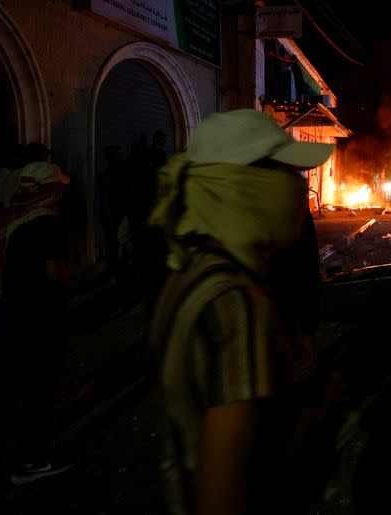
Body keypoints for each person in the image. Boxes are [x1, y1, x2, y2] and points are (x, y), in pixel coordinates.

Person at [149, 109, 342, 515]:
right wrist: (324, 410)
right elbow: (227, 495)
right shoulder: (237, 304)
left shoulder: (191, 268)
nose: (298, 190)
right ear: (244, 186)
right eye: (288, 175)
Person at [0, 142, 73, 486]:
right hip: (37, 320)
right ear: (49, 190)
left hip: (5, 316)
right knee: (35, 391)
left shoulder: (6, 220)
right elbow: (56, 275)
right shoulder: (47, 223)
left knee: (0, 391)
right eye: (58, 188)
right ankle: (31, 462)